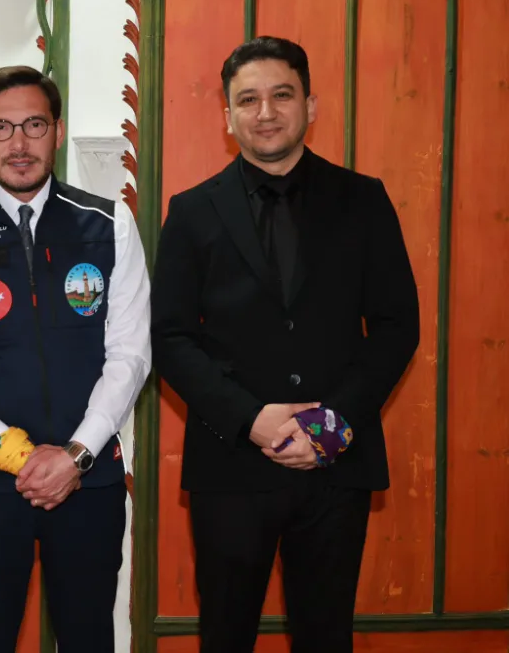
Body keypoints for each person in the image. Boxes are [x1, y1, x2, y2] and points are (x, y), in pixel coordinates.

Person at [151, 36, 420, 653]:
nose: (265, 111)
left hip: (336, 463)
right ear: (228, 117)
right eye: (248, 99)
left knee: (326, 636)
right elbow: (170, 336)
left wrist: (331, 424)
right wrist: (250, 419)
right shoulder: (191, 211)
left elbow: (396, 325)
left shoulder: (364, 200)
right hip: (230, 465)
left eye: (282, 95)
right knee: (225, 636)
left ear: (310, 105)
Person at [0, 66, 151, 653]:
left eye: (34, 125)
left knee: (87, 638)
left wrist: (75, 454)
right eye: (1, 128)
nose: (18, 143)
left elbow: (130, 355)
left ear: (57, 131)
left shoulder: (109, 224)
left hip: (88, 478)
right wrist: (14, 452)